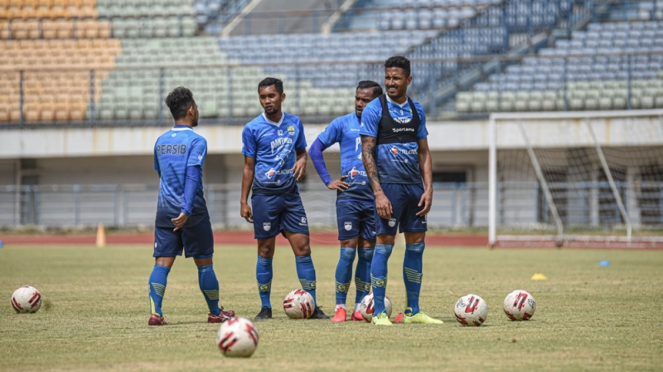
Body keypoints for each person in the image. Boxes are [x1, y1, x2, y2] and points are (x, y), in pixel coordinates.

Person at [359, 56, 443, 326]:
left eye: (396, 78)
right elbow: (367, 152)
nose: (390, 83)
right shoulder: (375, 109)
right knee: (384, 247)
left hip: (414, 189)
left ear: (408, 80)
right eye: (387, 78)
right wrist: (378, 193)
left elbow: (424, 152)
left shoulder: (417, 110)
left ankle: (413, 311)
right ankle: (379, 313)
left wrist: (428, 188)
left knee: (416, 248)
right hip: (389, 189)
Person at [240, 77, 328, 320]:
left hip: (290, 196)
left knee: (303, 248)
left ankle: (313, 305)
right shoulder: (252, 128)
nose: (267, 101)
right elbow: (248, 167)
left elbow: (302, 152)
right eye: (262, 97)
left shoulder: (294, 123)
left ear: (282, 96)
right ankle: (265, 307)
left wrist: (302, 160)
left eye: (271, 96)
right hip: (264, 197)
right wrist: (243, 201)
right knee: (266, 249)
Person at [147, 87, 234, 326]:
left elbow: (161, 174)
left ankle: (156, 314)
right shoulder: (197, 141)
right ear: (191, 109)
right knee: (204, 263)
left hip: (164, 210)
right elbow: (192, 176)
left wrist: (173, 204)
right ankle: (215, 313)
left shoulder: (160, 141)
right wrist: (186, 209)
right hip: (192, 211)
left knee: (162, 263)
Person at [309, 80, 383, 322]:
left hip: (374, 199)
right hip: (349, 198)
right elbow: (315, 148)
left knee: (368, 255)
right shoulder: (343, 123)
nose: (360, 103)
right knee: (348, 253)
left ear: (377, 102)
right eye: (357, 99)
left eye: (366, 100)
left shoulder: (384, 126)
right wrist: (328, 180)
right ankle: (340, 307)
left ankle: (360, 307)